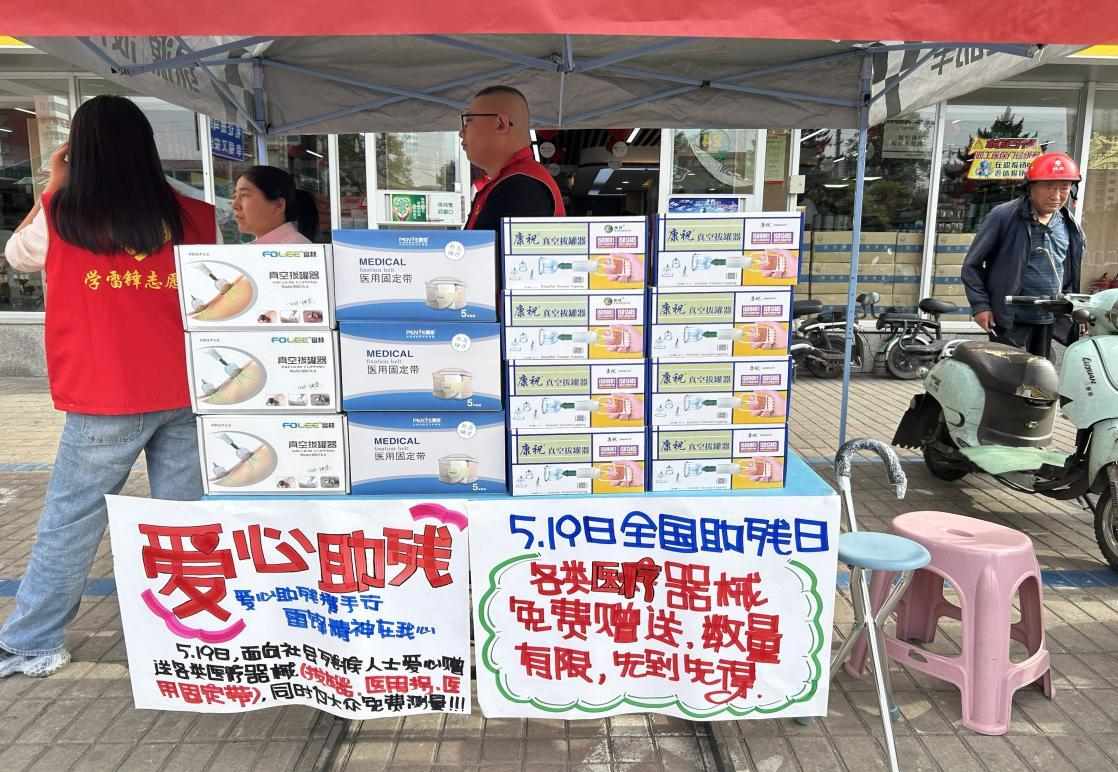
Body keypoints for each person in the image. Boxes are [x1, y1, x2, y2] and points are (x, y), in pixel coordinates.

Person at [0, 95, 218, 678]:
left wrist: (53, 183)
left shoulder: (61, 212)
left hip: (104, 395)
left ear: (80, 149)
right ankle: (194, 634)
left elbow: (18, 257)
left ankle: (35, 641)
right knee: (186, 520)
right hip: (188, 387)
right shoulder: (196, 217)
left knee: (72, 521)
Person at [961, 152, 1085, 357]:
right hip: (1010, 318)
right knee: (1007, 374)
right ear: (1030, 187)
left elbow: (1069, 274)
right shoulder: (1003, 216)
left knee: (1042, 373)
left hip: (1048, 318)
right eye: (1049, 187)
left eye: (1064, 187)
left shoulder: (1069, 225)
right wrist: (980, 305)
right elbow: (971, 266)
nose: (1056, 196)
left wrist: (1076, 312)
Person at [459, 85, 565, 231]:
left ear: (501, 124)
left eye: (468, 122)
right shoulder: (518, 180)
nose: (461, 133)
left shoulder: (519, 187)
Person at [232, 165, 319, 243]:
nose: (234, 205)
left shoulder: (296, 250)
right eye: (235, 195)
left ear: (278, 206)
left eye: (244, 195)